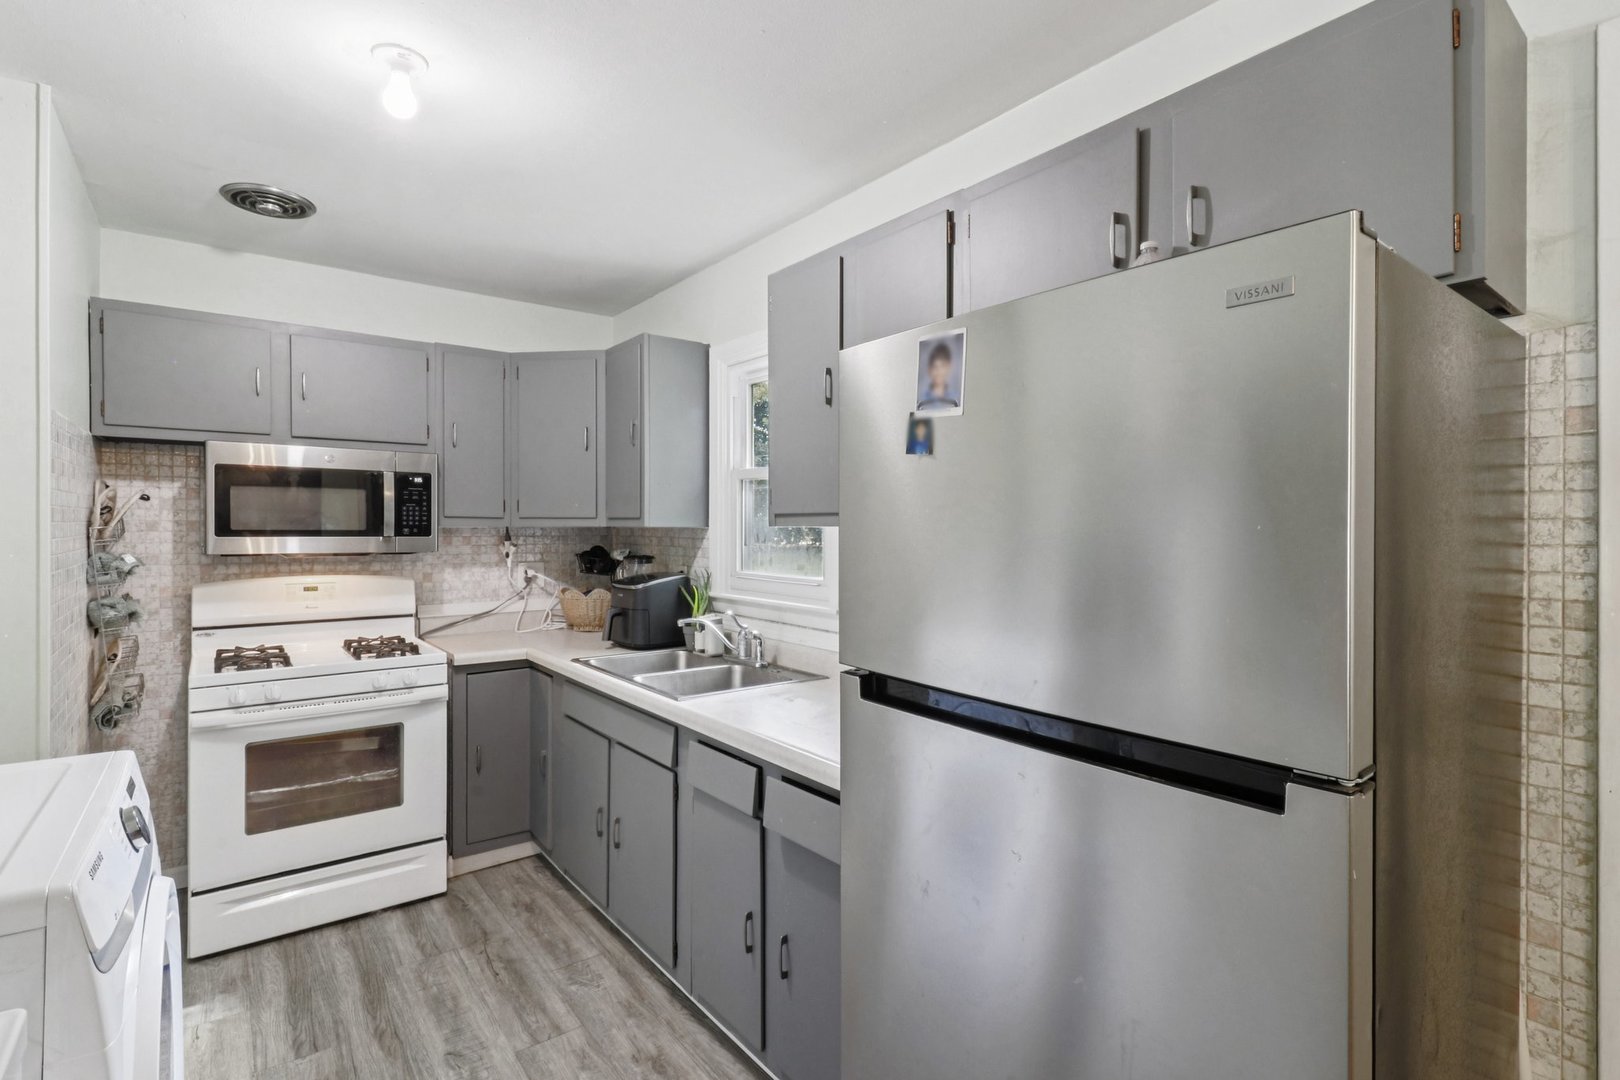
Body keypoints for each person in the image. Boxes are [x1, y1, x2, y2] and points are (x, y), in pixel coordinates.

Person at [918, 341, 959, 410]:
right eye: (935, 366)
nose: (938, 371)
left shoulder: (955, 400)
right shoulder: (921, 401)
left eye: (942, 366)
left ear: (948, 368)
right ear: (929, 369)